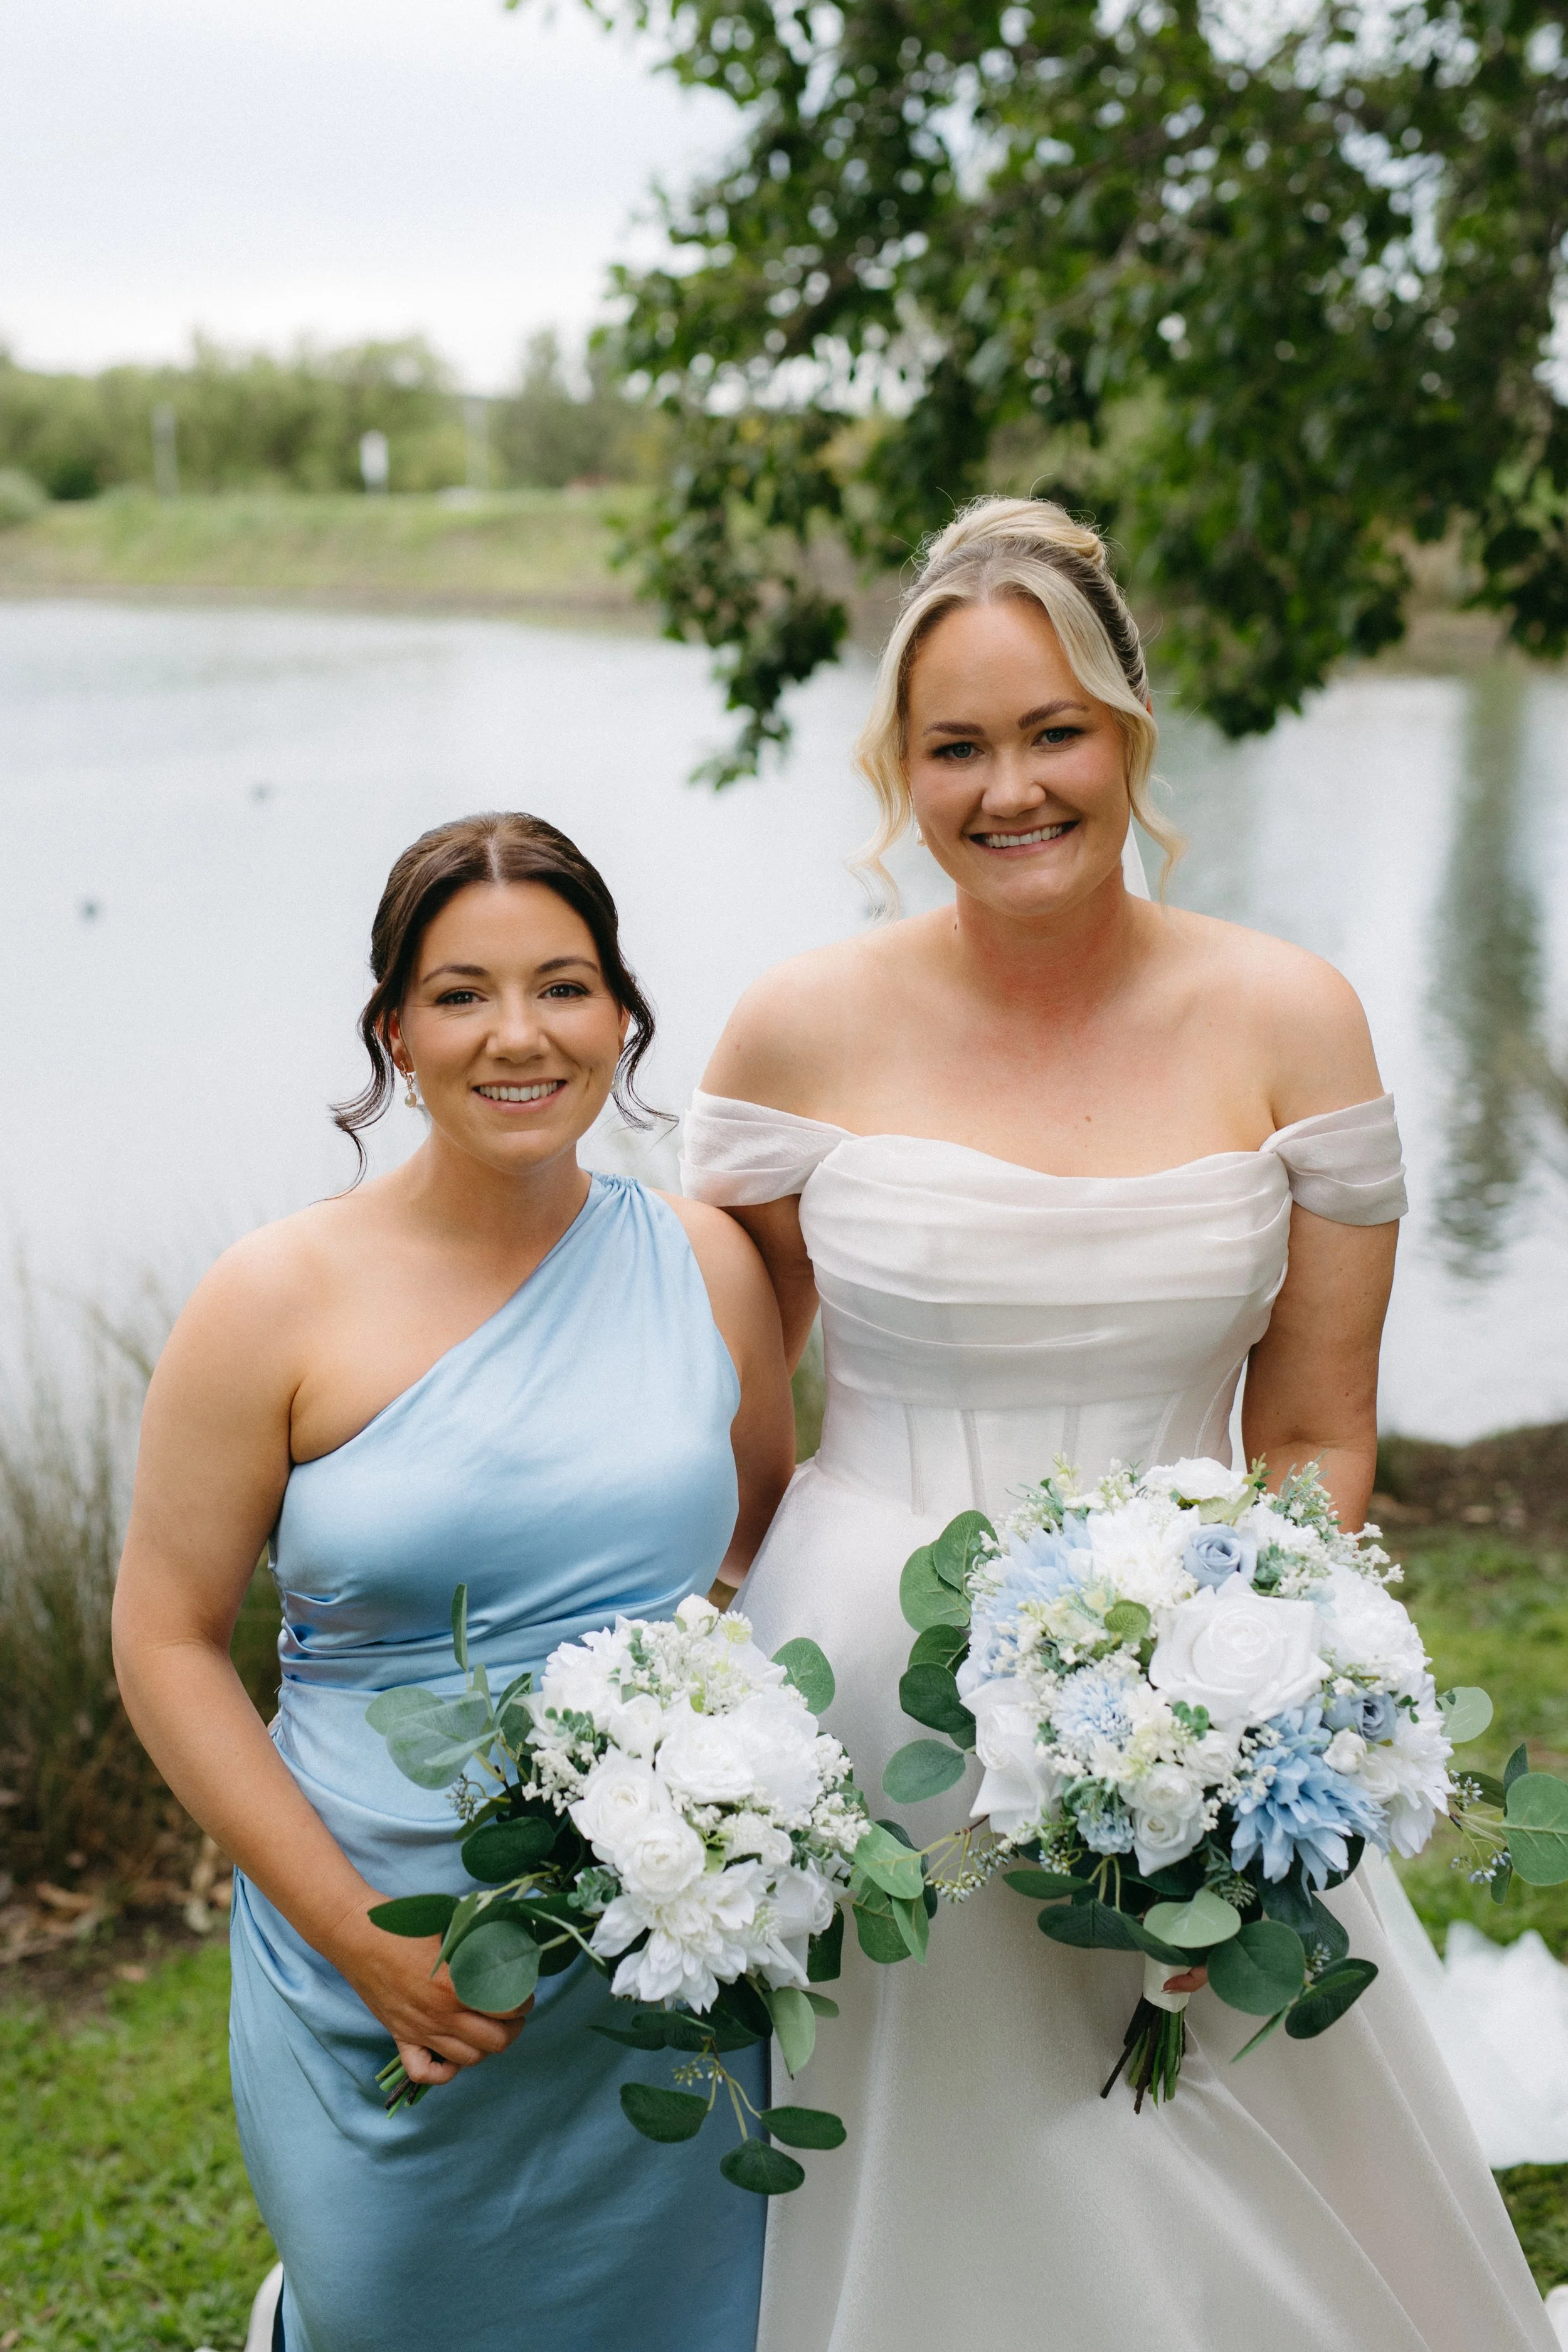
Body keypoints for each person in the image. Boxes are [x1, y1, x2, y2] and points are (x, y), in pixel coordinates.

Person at [681, 498, 1556, 2352]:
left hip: (1191, 1689)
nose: (1010, 787)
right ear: (898, 769)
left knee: (1199, 2140)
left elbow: (1314, 1426)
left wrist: (1234, 1701)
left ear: (1131, 729)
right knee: (918, 2147)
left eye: (1051, 729)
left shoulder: (1289, 1017)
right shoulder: (791, 1030)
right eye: (956, 746)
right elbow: (733, 1405)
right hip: (862, 1686)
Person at [113, 812, 794, 2352]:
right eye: (460, 993)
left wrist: (717, 1817)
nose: (517, 1035)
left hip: (656, 1951)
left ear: (621, 1016)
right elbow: (162, 1640)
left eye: (562, 986)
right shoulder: (273, 1300)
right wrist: (364, 1937)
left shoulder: (704, 1264)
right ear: (393, 1033)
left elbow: (755, 1541)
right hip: (375, 1942)